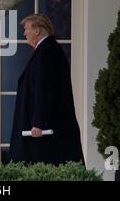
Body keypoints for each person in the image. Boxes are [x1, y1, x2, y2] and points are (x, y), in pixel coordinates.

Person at [9, 13, 85, 166]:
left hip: (45, 129)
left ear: (37, 30)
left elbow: (45, 88)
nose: (24, 33)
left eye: (26, 29)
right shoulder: (47, 49)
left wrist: (38, 123)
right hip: (46, 127)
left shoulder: (46, 52)